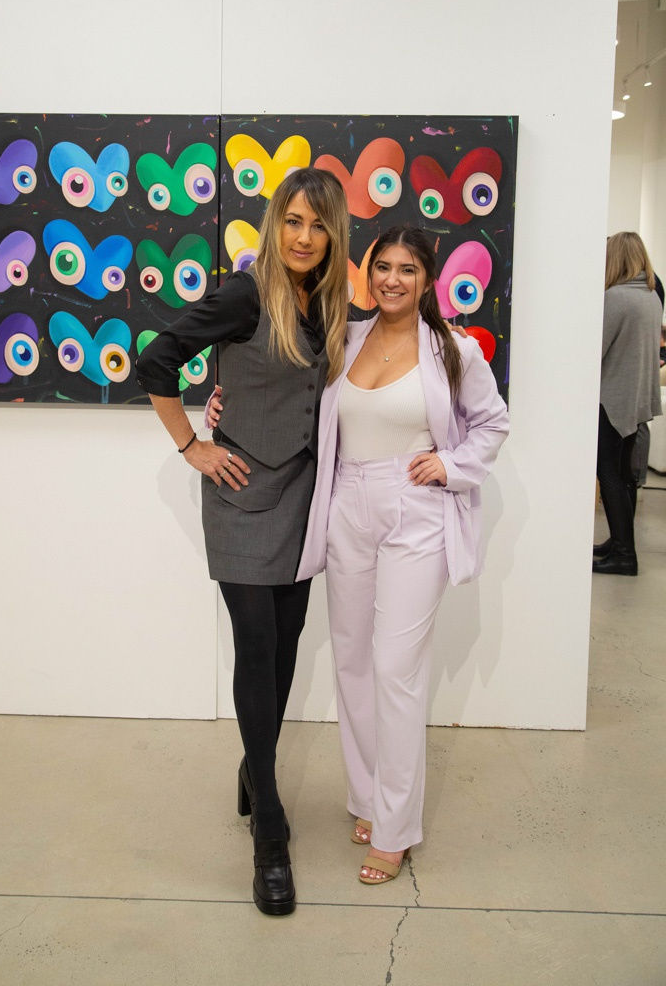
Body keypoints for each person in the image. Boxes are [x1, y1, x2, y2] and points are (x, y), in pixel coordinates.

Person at [134, 167, 350, 916]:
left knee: (287, 643)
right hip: (240, 490)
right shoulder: (244, 292)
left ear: (332, 233)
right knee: (256, 643)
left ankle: (254, 770)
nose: (303, 237)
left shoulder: (328, 302)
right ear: (274, 222)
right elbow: (156, 358)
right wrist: (192, 444)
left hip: (301, 495)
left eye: (318, 225)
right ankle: (270, 831)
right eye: (293, 220)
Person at [296, 225, 509, 884]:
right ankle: (365, 797)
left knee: (396, 666)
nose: (392, 279)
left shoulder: (454, 351)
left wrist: (449, 463)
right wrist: (223, 407)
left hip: (415, 508)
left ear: (428, 280)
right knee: (354, 659)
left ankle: (394, 829)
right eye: (382, 266)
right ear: (367, 273)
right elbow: (298, 404)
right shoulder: (345, 339)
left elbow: (493, 423)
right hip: (347, 506)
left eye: (407, 270)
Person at [593, 232, 662, 576]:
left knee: (608, 474)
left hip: (613, 399)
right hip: (635, 400)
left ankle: (623, 554)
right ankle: (621, 543)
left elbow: (595, 351)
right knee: (624, 476)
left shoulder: (615, 298)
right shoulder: (650, 296)